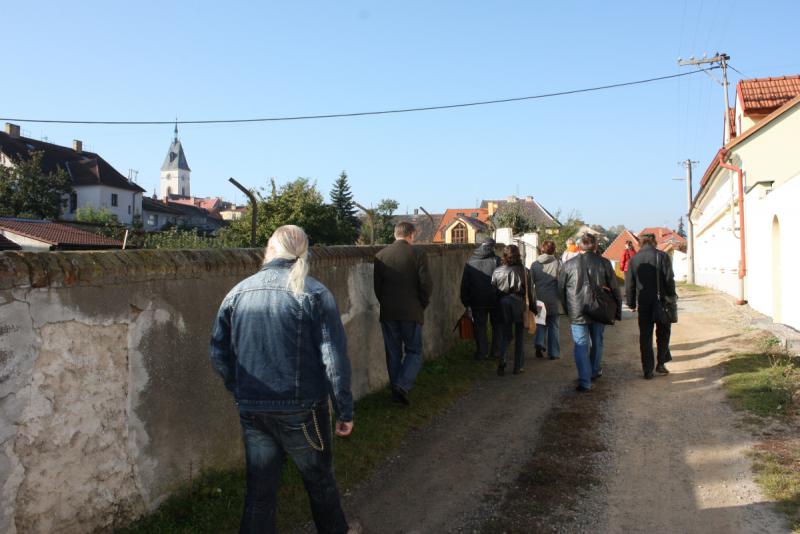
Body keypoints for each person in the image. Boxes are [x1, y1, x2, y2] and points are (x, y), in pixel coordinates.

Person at [209, 225, 353, 534]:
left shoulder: (237, 293)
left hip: (253, 409)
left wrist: (240, 390)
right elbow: (333, 359)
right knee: (320, 486)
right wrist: (344, 410)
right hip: (302, 410)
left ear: (270, 250)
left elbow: (219, 353)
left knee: (259, 494)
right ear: (304, 252)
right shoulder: (314, 293)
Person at [373, 221, 433, 405]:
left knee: (393, 353)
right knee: (414, 351)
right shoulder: (418, 254)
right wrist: (421, 304)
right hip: (412, 310)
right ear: (411, 234)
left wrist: (387, 304)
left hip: (389, 311)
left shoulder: (381, 255)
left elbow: (378, 288)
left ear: (395, 234)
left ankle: (396, 390)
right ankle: (402, 385)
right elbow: (426, 284)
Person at [558, 233, 621, 392]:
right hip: (599, 308)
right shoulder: (604, 263)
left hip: (577, 309)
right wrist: (617, 310)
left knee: (581, 345)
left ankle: (585, 381)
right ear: (595, 246)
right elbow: (615, 288)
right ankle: (594, 371)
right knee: (597, 341)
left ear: (579, 247)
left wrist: (567, 309)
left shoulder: (568, 265)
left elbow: (561, 290)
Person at [625, 233, 677, 379]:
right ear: (654, 241)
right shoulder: (662, 256)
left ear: (640, 243)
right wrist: (672, 296)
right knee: (663, 333)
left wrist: (631, 303)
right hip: (662, 302)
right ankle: (660, 364)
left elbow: (630, 285)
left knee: (645, 336)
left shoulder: (634, 260)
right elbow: (669, 279)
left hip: (644, 303)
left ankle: (647, 370)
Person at [491, 244, 534, 376]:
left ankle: (502, 361)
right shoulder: (525, 271)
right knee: (519, 337)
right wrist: (532, 309)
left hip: (503, 304)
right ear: (518, 255)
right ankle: (518, 366)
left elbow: (493, 291)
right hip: (519, 304)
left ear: (504, 256)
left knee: (506, 335)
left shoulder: (497, 271)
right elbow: (530, 292)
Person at [460, 237, 502, 360]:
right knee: (497, 326)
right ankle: (496, 351)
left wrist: (466, 301)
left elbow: (465, 284)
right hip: (495, 299)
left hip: (477, 301)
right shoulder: (498, 261)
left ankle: (482, 352)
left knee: (480, 327)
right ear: (491, 247)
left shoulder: (470, 262)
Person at [530, 239, 561, 360]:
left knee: (540, 322)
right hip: (554, 299)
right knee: (553, 325)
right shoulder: (558, 263)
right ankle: (553, 353)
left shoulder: (535, 264)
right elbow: (561, 282)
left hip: (539, 298)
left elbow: (530, 281)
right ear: (554, 250)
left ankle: (539, 343)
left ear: (542, 249)